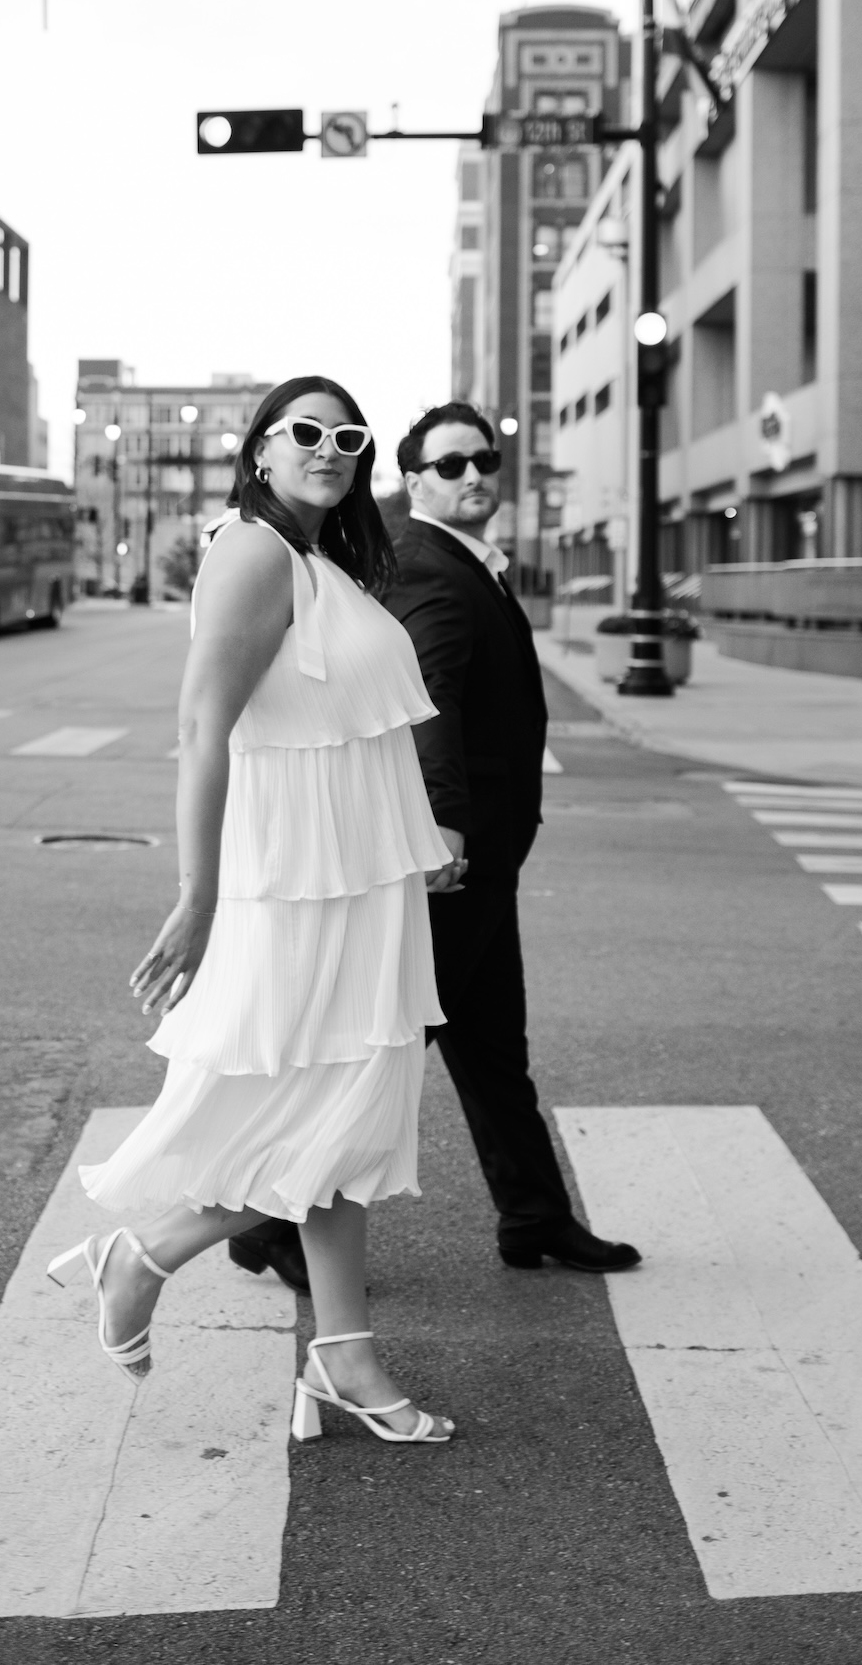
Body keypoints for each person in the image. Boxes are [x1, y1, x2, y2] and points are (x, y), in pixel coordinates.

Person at [49, 376, 460, 1444]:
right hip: (290, 889)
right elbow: (203, 729)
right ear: (262, 451)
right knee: (327, 1118)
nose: (330, 448)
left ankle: (344, 1356)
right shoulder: (252, 550)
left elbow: (346, 731)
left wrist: (410, 847)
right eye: (306, 431)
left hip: (357, 883)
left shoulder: (322, 561)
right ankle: (146, 1253)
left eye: (349, 436)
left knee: (348, 1113)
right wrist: (198, 896)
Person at [233, 399, 639, 1282]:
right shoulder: (427, 565)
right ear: (413, 481)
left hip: (485, 857)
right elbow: (432, 697)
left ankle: (534, 1216)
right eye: (450, 465)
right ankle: (269, 1221)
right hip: (452, 859)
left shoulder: (463, 563)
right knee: (379, 1061)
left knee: (494, 1052)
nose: (473, 476)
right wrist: (445, 820)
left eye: (484, 460)